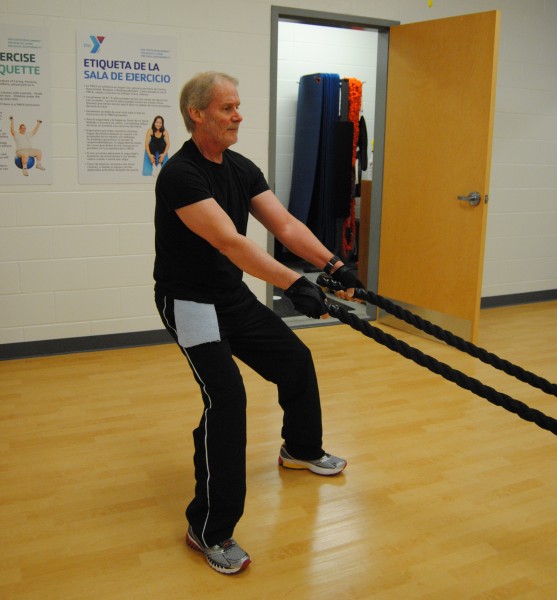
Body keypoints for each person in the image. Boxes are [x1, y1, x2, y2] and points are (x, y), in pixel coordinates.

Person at [153, 71, 362, 575]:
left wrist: (332, 265)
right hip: (190, 302)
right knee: (227, 400)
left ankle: (301, 448)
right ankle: (207, 528)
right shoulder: (181, 175)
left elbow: (284, 224)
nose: (238, 115)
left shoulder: (241, 168)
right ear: (197, 113)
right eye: (227, 107)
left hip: (229, 294)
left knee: (294, 359)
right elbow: (232, 243)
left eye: (238, 106)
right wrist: (294, 284)